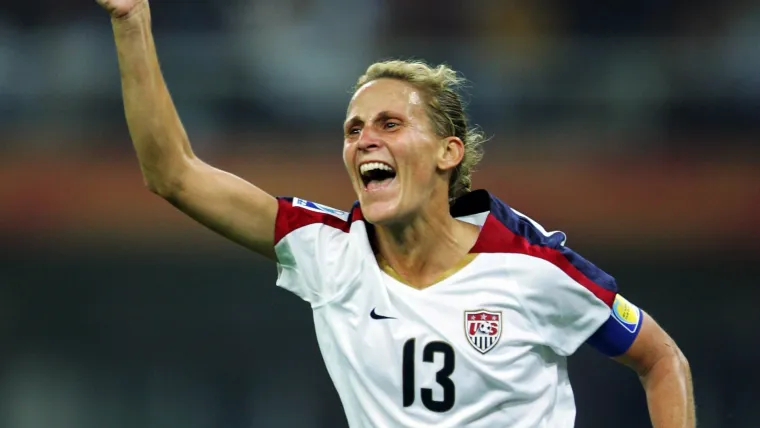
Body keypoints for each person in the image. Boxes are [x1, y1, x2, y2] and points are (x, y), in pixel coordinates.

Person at [97, 0, 696, 426]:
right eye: (354, 130)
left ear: (447, 153)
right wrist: (132, 20)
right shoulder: (329, 252)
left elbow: (661, 359)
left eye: (390, 124)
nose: (365, 142)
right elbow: (172, 174)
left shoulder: (531, 265)